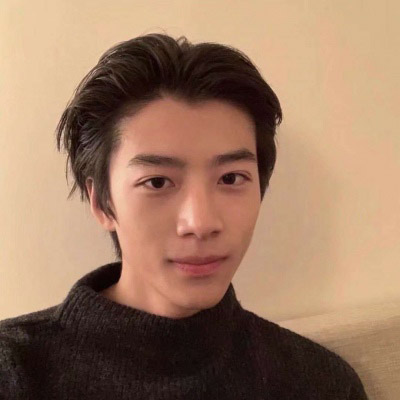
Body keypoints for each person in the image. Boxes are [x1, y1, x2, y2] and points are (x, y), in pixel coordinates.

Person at [0, 32, 369, 399]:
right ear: (101, 203)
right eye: (157, 182)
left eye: (231, 178)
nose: (201, 223)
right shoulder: (15, 371)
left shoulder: (320, 384)